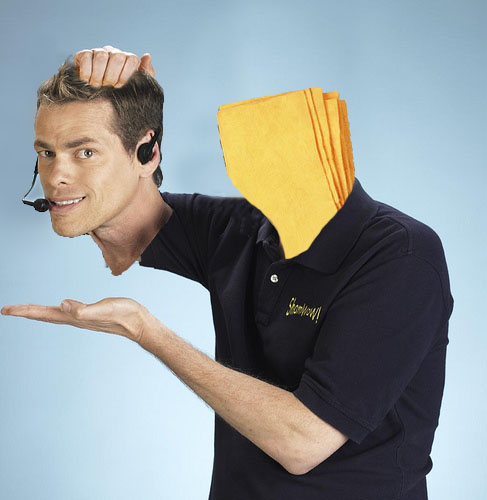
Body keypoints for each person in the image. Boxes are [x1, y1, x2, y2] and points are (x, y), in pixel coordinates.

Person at [1, 46, 454, 500]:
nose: (55, 175)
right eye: (47, 152)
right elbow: (131, 220)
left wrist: (145, 330)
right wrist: (131, 98)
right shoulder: (244, 230)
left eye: (83, 151)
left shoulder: (401, 256)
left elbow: (303, 443)